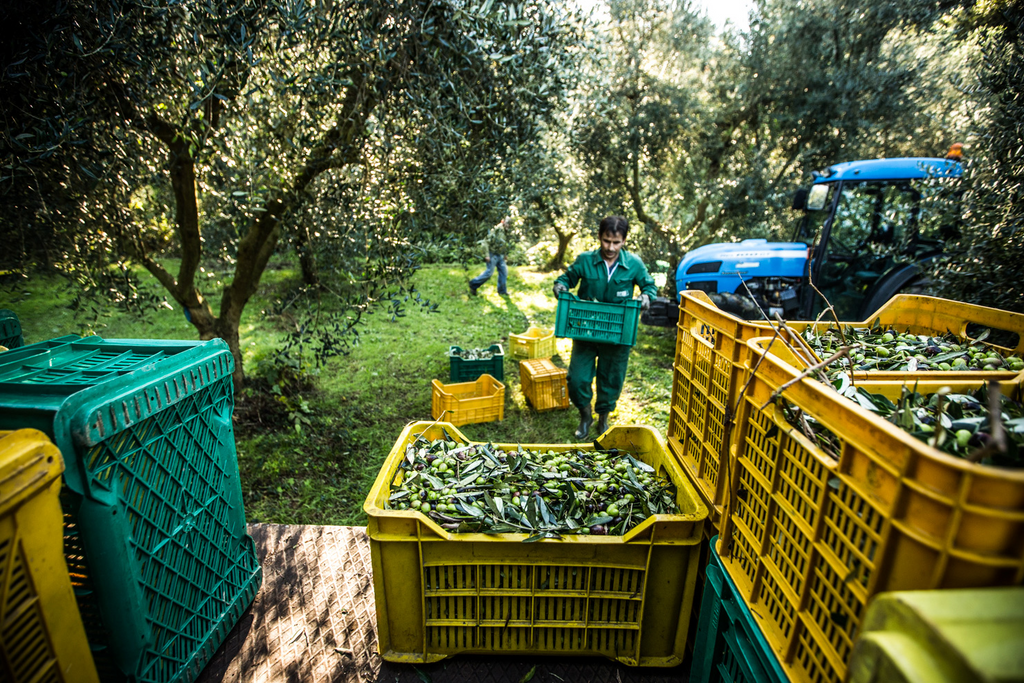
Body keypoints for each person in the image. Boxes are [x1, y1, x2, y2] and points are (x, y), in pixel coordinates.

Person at [553, 216, 656, 439]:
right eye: (606, 241)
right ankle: (585, 415)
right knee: (577, 379)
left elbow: (649, 285)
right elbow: (567, 277)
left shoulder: (634, 264)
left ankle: (603, 419)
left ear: (624, 241)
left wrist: (646, 297)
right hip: (587, 331)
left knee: (611, 379)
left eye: (616, 242)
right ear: (599, 237)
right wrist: (560, 285)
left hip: (618, 334)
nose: (610, 247)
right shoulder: (585, 260)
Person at [469, 218, 510, 296]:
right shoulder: (496, 230)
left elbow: (504, 244)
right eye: (507, 223)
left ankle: (502, 291)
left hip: (500, 255)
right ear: (502, 221)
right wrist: (487, 255)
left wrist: (505, 254)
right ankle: (473, 284)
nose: (508, 225)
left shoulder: (506, 231)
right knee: (489, 273)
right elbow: (485, 242)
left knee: (504, 272)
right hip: (492, 254)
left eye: (509, 224)